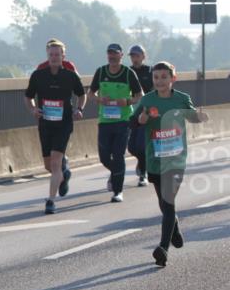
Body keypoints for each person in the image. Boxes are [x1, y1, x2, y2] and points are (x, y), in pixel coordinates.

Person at [131, 62, 208, 266]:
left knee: (168, 199)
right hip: (155, 159)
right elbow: (132, 122)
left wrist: (200, 116)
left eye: (164, 77)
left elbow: (193, 117)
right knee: (165, 204)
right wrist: (142, 118)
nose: (159, 81)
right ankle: (174, 227)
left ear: (173, 78)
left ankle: (163, 248)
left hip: (176, 159)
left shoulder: (181, 99)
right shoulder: (147, 99)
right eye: (156, 77)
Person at [24, 39, 86, 214]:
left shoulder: (70, 75)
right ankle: (63, 175)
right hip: (45, 123)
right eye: (51, 54)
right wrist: (33, 109)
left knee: (56, 162)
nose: (54, 57)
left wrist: (79, 109)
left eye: (57, 54)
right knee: (48, 165)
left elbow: (82, 95)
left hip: (64, 123)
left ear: (63, 56)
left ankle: (51, 200)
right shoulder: (38, 75)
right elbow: (28, 97)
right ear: (47, 55)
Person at [89, 43, 142, 202]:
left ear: (121, 56)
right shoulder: (100, 72)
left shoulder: (128, 73)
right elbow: (90, 93)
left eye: (115, 54)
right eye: (109, 54)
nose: (112, 56)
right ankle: (116, 173)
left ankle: (118, 191)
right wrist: (99, 99)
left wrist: (127, 101)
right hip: (105, 121)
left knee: (118, 155)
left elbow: (140, 95)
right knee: (104, 157)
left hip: (123, 121)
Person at [126, 44, 153, 187]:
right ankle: (143, 161)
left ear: (143, 56)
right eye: (132, 56)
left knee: (141, 146)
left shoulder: (150, 71)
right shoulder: (127, 72)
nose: (135, 59)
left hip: (147, 113)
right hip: (131, 112)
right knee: (132, 147)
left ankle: (143, 174)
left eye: (137, 56)